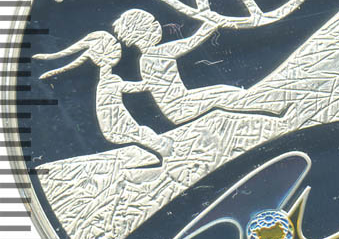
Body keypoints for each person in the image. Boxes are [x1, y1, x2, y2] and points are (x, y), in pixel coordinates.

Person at [34, 31, 172, 161]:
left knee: (140, 134)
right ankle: (162, 149)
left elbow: (130, 88)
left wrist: (148, 84)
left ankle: (162, 150)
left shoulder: (108, 81)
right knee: (140, 134)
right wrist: (150, 83)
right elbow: (132, 87)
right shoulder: (110, 81)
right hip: (116, 122)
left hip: (114, 123)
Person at [112, 9, 247, 125]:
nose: (158, 26)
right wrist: (212, 23)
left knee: (222, 90)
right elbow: (191, 42)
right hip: (181, 108)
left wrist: (125, 86)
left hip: (175, 108)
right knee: (224, 94)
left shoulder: (144, 60)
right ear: (141, 33)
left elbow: (147, 85)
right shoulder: (160, 52)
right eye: (152, 24)